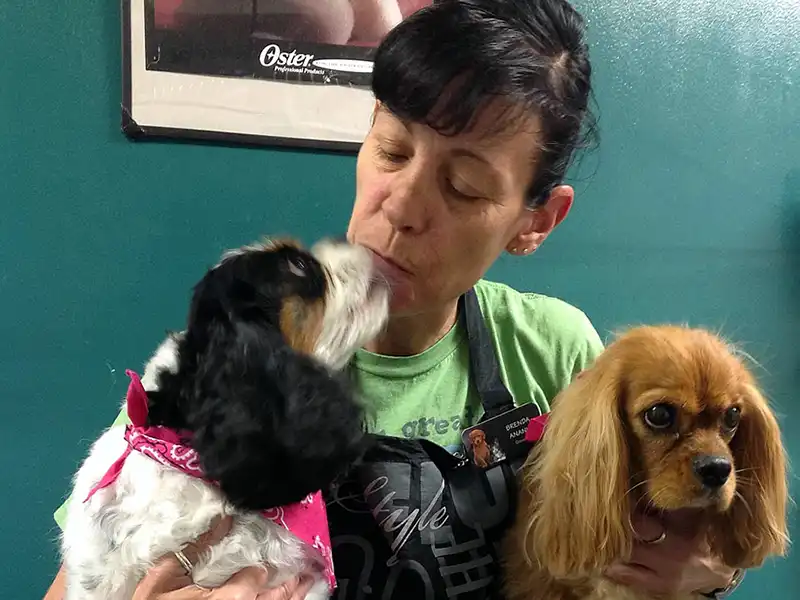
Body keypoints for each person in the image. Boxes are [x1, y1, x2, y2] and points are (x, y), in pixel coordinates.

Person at [44, 1, 743, 599]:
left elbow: (657, 542)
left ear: (536, 221)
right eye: (391, 149)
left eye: (464, 187)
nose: (401, 207)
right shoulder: (241, 355)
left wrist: (705, 572)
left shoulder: (555, 353)